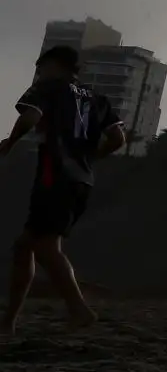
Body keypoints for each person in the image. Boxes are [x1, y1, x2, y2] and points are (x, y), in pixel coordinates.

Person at [2, 45, 127, 336]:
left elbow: (31, 116)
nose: (38, 74)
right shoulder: (97, 98)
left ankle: (79, 309)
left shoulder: (49, 88)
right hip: (82, 178)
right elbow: (118, 137)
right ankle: (8, 322)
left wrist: (10, 142)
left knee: (45, 247)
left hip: (54, 174)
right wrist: (91, 157)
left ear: (54, 65)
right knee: (25, 245)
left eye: (40, 68)